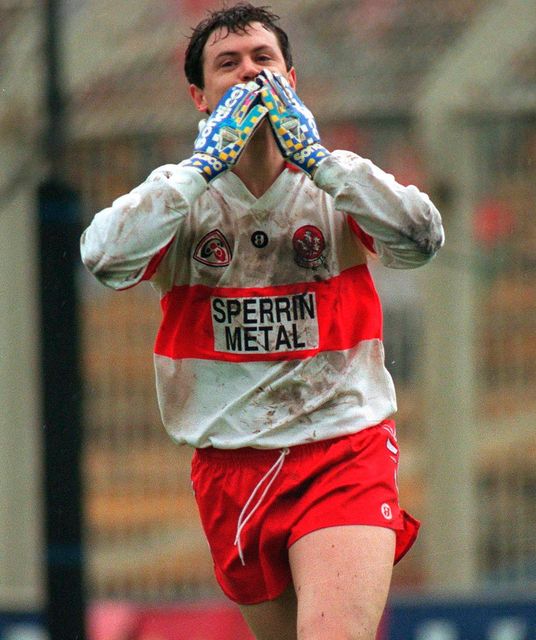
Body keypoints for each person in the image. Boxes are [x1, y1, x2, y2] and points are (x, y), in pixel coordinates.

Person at [80, 3, 444, 639]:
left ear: (291, 80)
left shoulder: (337, 182)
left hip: (341, 449)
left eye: (263, 59)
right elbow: (105, 259)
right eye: (228, 64)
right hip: (230, 468)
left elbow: (420, 239)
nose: (249, 74)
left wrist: (324, 161)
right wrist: (199, 168)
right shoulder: (178, 196)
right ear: (200, 95)